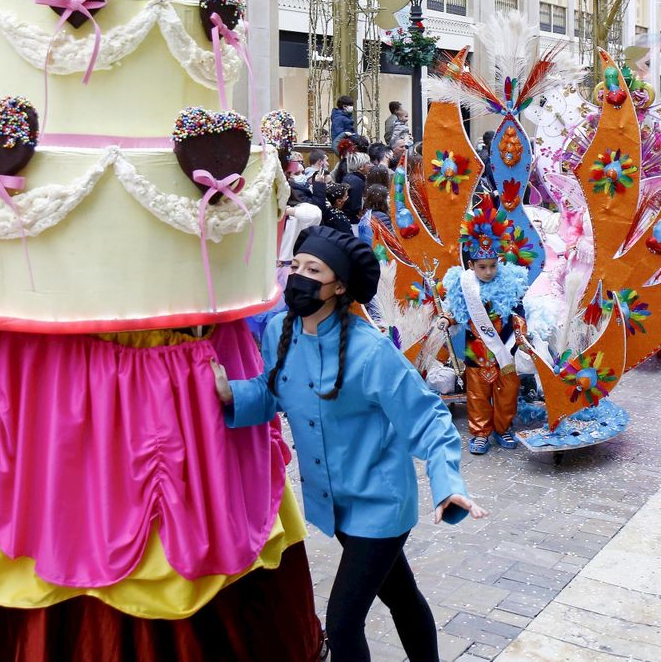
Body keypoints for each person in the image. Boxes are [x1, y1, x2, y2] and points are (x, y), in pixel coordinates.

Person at [211, 228, 486, 662]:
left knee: (342, 622)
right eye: (295, 266)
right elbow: (272, 392)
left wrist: (448, 481)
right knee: (400, 593)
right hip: (334, 504)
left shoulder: (371, 351)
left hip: (380, 506)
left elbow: (429, 417)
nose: (298, 277)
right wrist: (232, 394)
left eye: (312, 270)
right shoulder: (280, 332)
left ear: (339, 285)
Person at [441, 198, 529, 454]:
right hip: (476, 351)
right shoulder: (464, 285)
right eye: (482, 267)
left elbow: (518, 311)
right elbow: (458, 311)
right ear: (471, 266)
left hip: (506, 350)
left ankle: (503, 429)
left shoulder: (511, 283)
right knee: (477, 394)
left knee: (507, 392)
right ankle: (480, 433)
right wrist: (447, 319)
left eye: (493, 266)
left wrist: (522, 330)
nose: (488, 272)